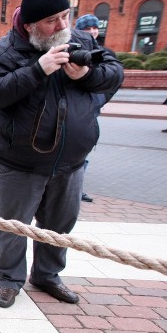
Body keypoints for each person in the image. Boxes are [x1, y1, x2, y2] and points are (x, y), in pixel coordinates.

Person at [0, 0, 123, 309]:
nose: (62, 26)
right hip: (18, 162)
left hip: (71, 162)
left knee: (60, 224)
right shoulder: (2, 51)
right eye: (52, 20)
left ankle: (47, 275)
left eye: (65, 16)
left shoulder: (81, 39)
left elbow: (114, 73)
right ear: (30, 25)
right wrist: (37, 70)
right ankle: (9, 280)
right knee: (14, 226)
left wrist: (85, 76)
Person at [74, 13, 120, 202]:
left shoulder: (102, 54)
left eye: (94, 28)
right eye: (87, 29)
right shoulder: (71, 50)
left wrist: (97, 100)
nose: (92, 31)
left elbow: (112, 80)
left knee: (81, 149)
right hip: (71, 110)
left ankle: (76, 188)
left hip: (88, 110)